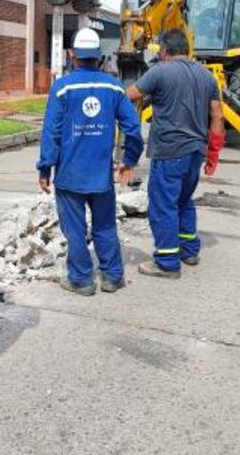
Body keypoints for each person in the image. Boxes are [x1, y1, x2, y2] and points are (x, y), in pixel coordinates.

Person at [37, 28, 144, 295]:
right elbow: (133, 129)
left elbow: (52, 132)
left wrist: (45, 167)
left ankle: (82, 280)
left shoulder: (62, 88)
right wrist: (128, 160)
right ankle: (112, 277)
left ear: (72, 55)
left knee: (74, 230)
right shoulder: (114, 87)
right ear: (99, 57)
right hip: (101, 177)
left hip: (70, 175)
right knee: (105, 226)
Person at [127, 29, 225, 278]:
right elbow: (217, 116)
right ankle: (189, 250)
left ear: (164, 50)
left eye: (159, 50)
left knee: (163, 204)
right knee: (184, 200)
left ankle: (167, 261)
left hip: (170, 151)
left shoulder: (160, 70)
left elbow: (131, 94)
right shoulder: (207, 76)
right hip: (196, 151)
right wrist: (213, 153)